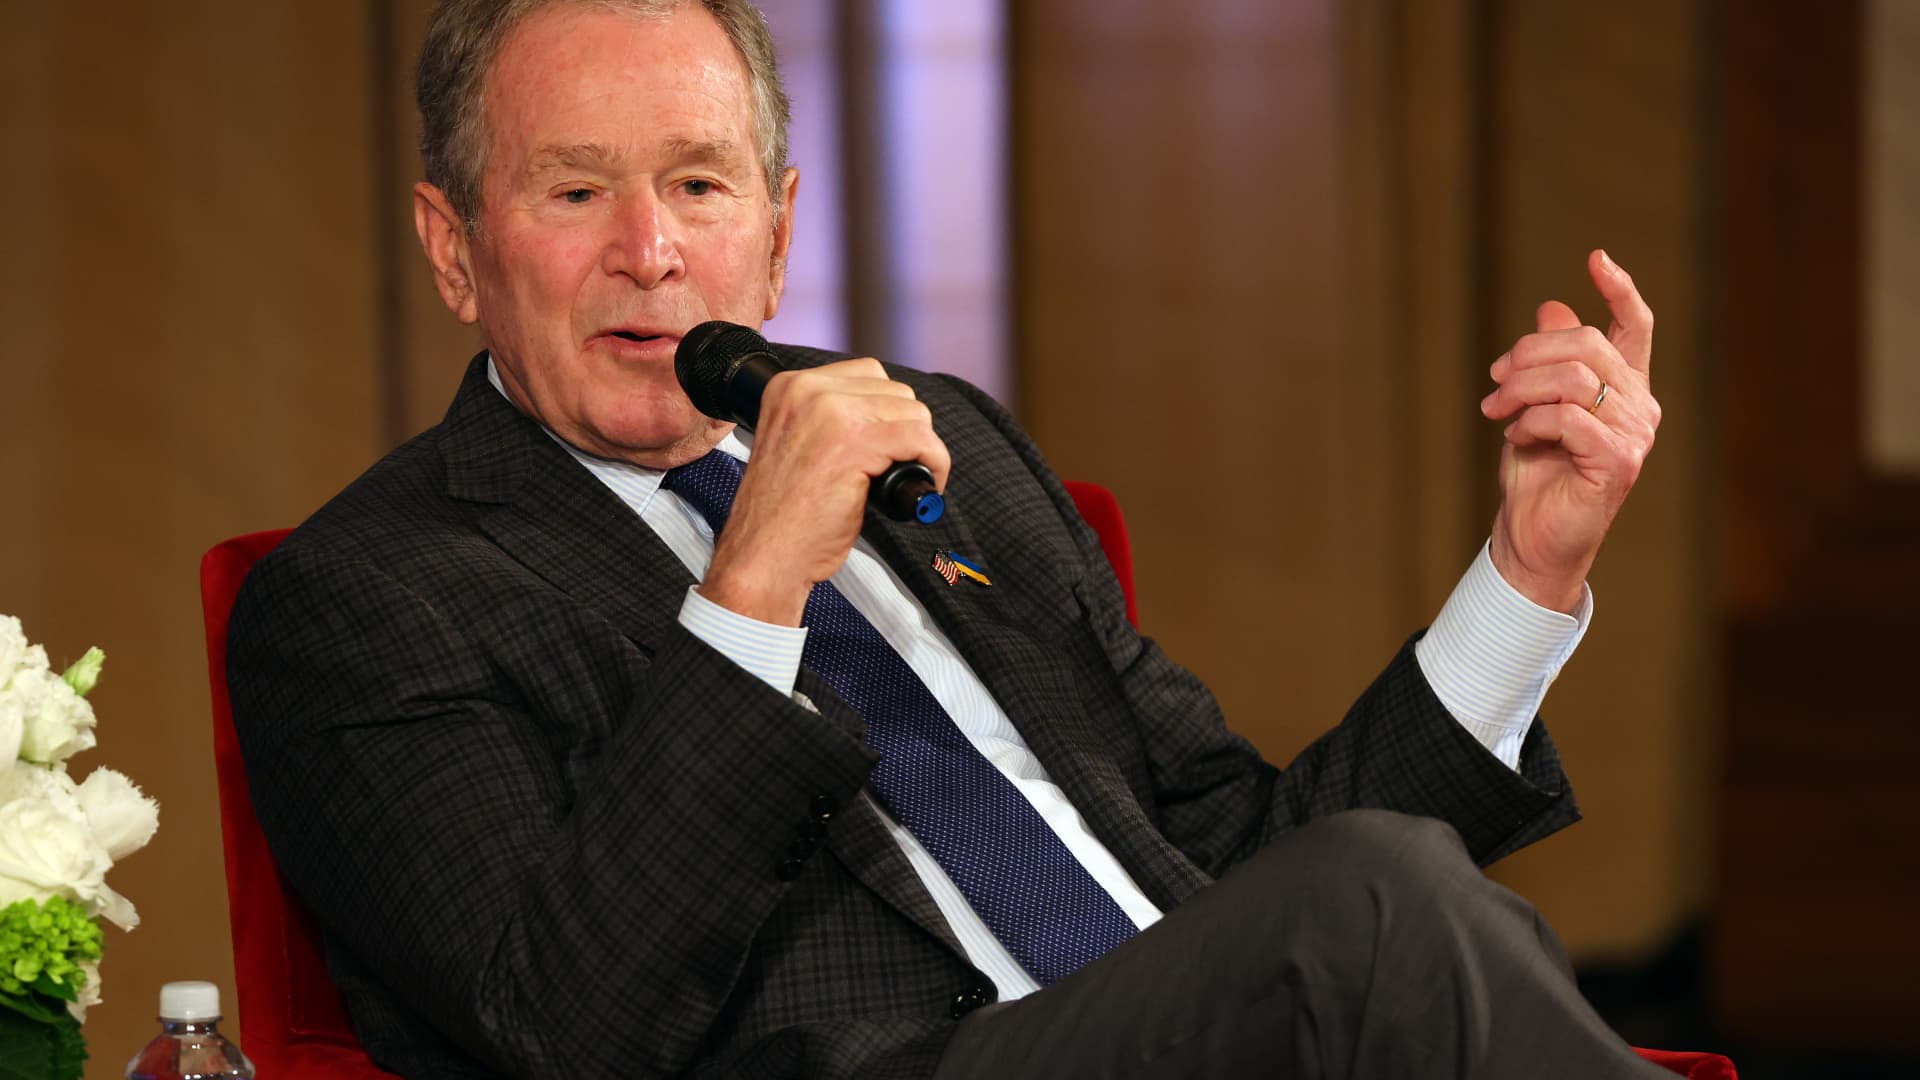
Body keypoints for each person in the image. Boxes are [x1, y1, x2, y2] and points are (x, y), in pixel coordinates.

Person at [224, 1, 1667, 1077]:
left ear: (778, 239)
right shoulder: (366, 595)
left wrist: (1529, 570)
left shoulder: (944, 442)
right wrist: (752, 590)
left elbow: (1250, 864)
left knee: (1381, 895)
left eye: (700, 185)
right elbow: (557, 1024)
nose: (650, 251)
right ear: (454, 247)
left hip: (1178, 1032)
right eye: (577, 189)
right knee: (1381, 906)